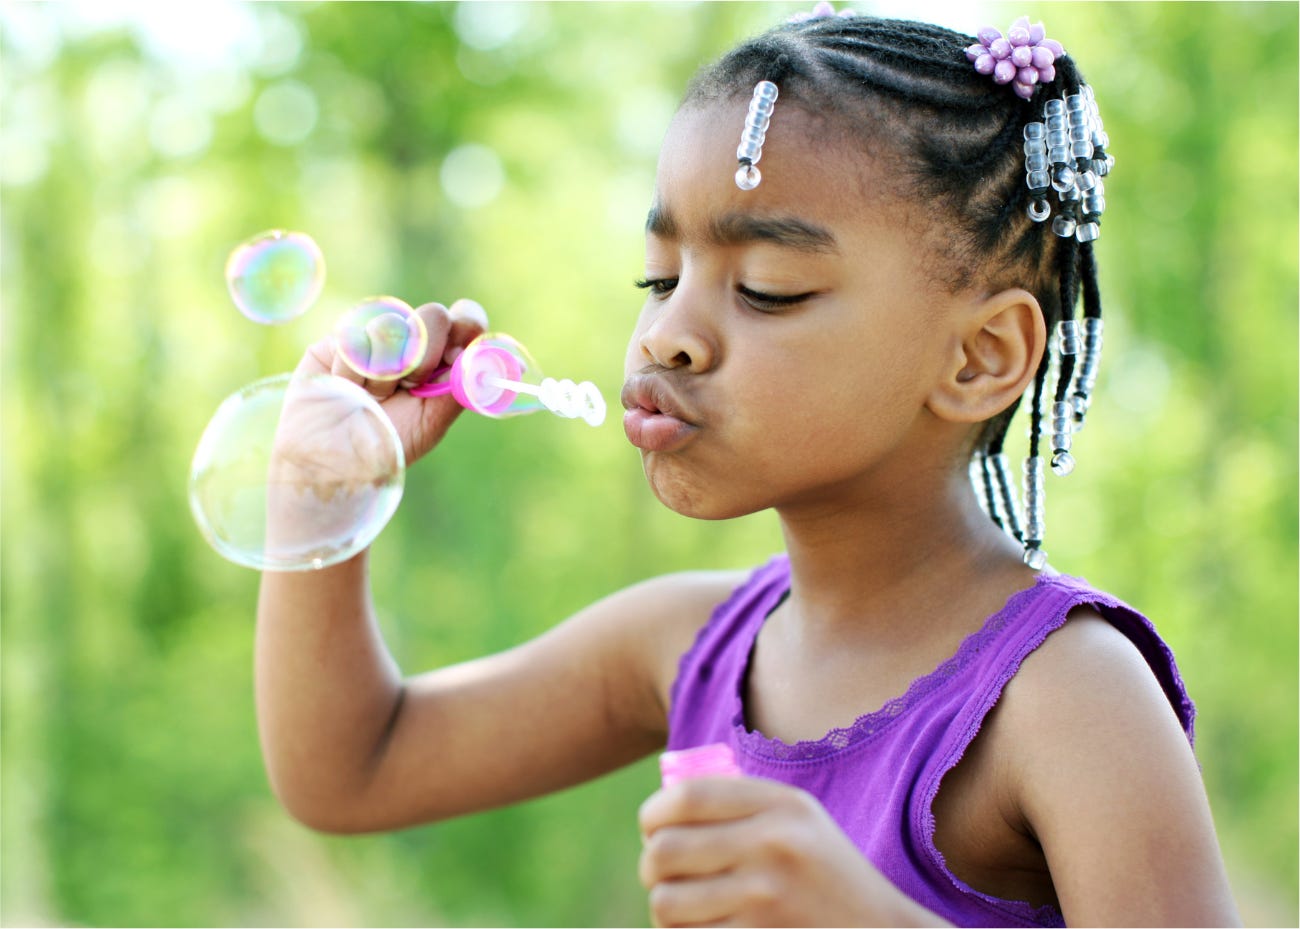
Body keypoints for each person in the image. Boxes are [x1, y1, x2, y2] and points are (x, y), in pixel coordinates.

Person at [255, 7, 1240, 926]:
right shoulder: (688, 644)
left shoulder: (1070, 696)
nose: (668, 333)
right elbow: (354, 766)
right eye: (659, 276)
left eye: (767, 288)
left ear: (979, 356)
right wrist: (321, 494)